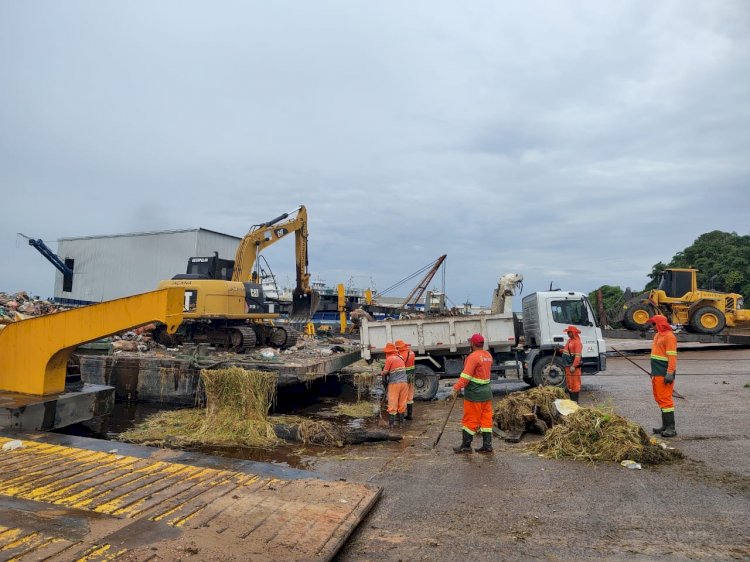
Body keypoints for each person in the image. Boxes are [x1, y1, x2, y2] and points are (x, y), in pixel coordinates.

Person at [450, 333, 494, 453]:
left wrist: (456, 388)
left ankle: (466, 446)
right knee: (486, 420)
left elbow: (466, 376)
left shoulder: (473, 357)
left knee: (470, 420)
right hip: (487, 394)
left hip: (474, 395)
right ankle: (487, 445)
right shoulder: (488, 355)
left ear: (472, 344)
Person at [648, 314, 678, 437]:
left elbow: (672, 357)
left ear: (660, 324)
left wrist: (670, 373)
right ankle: (665, 426)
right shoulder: (657, 335)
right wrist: (653, 372)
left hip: (664, 373)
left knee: (665, 399)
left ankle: (671, 428)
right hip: (656, 372)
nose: (652, 326)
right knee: (659, 398)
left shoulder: (670, 337)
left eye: (654, 324)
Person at [381, 342, 409, 429]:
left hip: (395, 384)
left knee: (393, 403)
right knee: (402, 403)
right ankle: (401, 424)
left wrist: (381, 373)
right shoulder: (400, 357)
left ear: (388, 352)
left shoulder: (389, 359)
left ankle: (391, 425)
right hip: (404, 383)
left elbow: (385, 372)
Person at [560, 325, 583, 402]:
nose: (567, 334)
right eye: (567, 332)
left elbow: (577, 356)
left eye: (569, 332)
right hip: (567, 366)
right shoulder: (569, 341)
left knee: (575, 383)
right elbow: (566, 351)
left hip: (573, 367)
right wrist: (559, 350)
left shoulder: (577, 343)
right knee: (569, 384)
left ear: (573, 333)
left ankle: (576, 401)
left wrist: (573, 366)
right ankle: (572, 401)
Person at [395, 339, 416, 420]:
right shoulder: (411, 352)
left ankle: (400, 416)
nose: (397, 349)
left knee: (402, 396)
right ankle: (410, 415)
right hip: (411, 376)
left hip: (404, 376)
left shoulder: (401, 355)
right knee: (410, 396)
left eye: (397, 348)